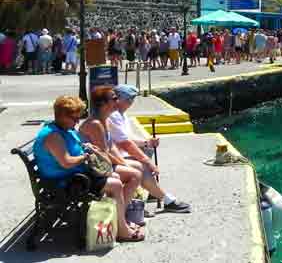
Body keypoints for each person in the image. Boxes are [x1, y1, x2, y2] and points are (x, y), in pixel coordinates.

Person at [34, 95, 144, 242]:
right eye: (74, 118)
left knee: (116, 178)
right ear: (62, 116)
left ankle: (117, 223)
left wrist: (87, 147)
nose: (77, 121)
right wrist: (85, 156)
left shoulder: (64, 129)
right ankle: (122, 231)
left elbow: (75, 149)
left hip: (75, 175)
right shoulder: (53, 135)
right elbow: (66, 162)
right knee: (116, 184)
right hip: (65, 181)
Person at [109, 85, 192, 213]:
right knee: (142, 165)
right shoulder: (113, 116)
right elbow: (125, 143)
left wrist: (147, 143)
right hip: (116, 156)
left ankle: (153, 189)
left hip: (120, 154)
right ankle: (166, 198)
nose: (131, 103)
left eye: (132, 100)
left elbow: (128, 138)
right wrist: (148, 160)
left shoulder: (122, 115)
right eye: (128, 99)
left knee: (147, 152)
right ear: (117, 99)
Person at [79, 87, 144, 233]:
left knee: (136, 167)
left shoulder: (105, 120)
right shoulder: (95, 124)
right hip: (93, 168)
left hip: (101, 164)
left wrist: (123, 162)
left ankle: (120, 216)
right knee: (135, 175)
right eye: (114, 99)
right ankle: (120, 224)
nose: (118, 101)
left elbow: (110, 147)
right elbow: (104, 153)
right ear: (103, 103)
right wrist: (123, 164)